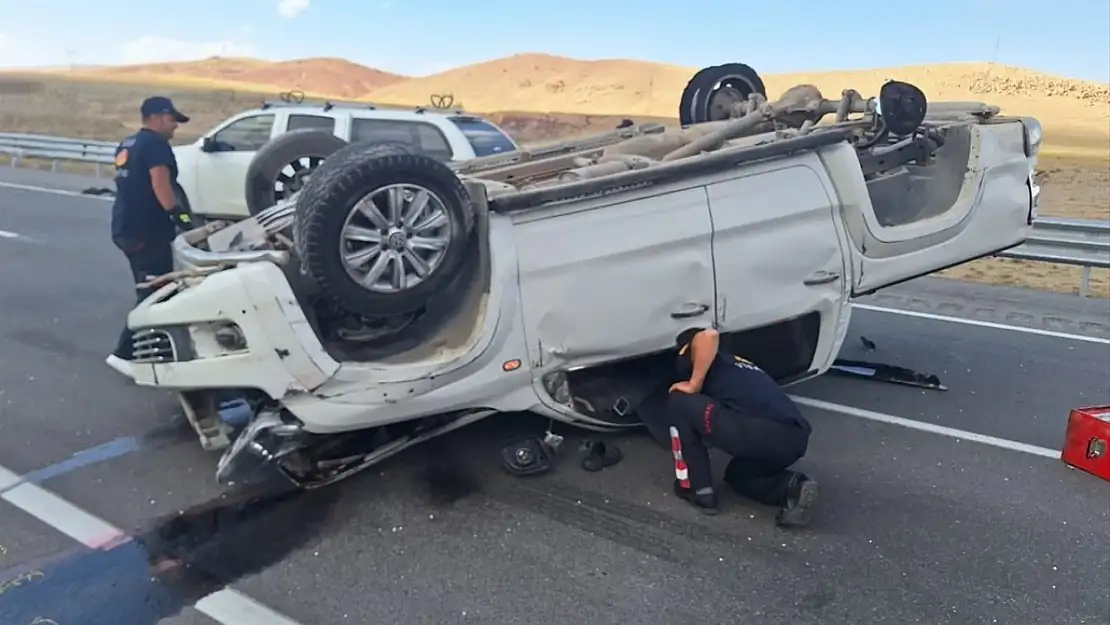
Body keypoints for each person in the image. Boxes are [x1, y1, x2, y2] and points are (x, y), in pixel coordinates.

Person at [662, 326, 820, 527]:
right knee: (739, 475)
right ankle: (794, 488)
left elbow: (709, 335)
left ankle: (696, 488)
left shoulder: (702, 351)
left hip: (758, 430)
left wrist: (693, 383)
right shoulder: (738, 365)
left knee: (679, 399)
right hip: (794, 438)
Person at [104, 96, 192, 377]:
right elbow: (161, 186)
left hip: (126, 226)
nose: (175, 126)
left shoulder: (128, 143)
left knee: (155, 290)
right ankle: (124, 354)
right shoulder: (156, 146)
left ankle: (159, 351)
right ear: (156, 117)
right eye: (172, 120)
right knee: (155, 293)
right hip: (146, 231)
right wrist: (183, 218)